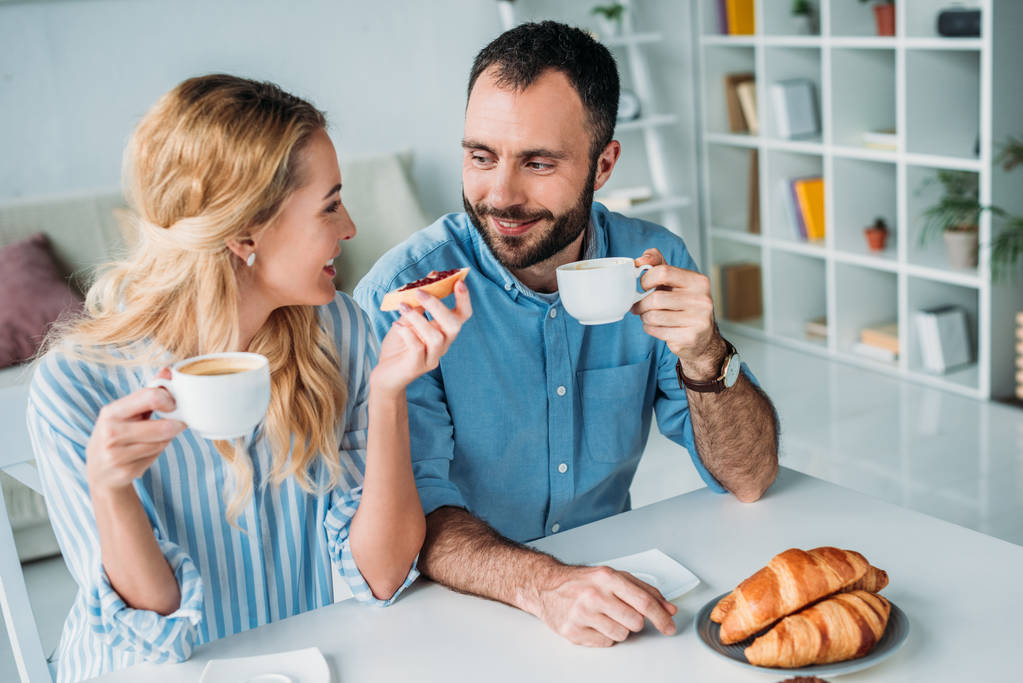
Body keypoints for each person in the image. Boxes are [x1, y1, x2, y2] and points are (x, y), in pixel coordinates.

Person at [26, 74, 471, 682]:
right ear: (244, 234)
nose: (350, 228)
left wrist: (391, 391)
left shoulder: (339, 331)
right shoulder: (75, 384)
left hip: (317, 663)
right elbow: (154, 631)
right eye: (330, 204)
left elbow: (384, 574)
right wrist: (111, 489)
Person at [355, 22, 778, 648]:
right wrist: (545, 584)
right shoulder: (406, 294)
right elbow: (414, 517)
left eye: (539, 162)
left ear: (603, 164)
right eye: (481, 156)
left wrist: (705, 354)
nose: (500, 194)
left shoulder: (652, 263)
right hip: (451, 608)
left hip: (604, 597)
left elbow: (750, 478)